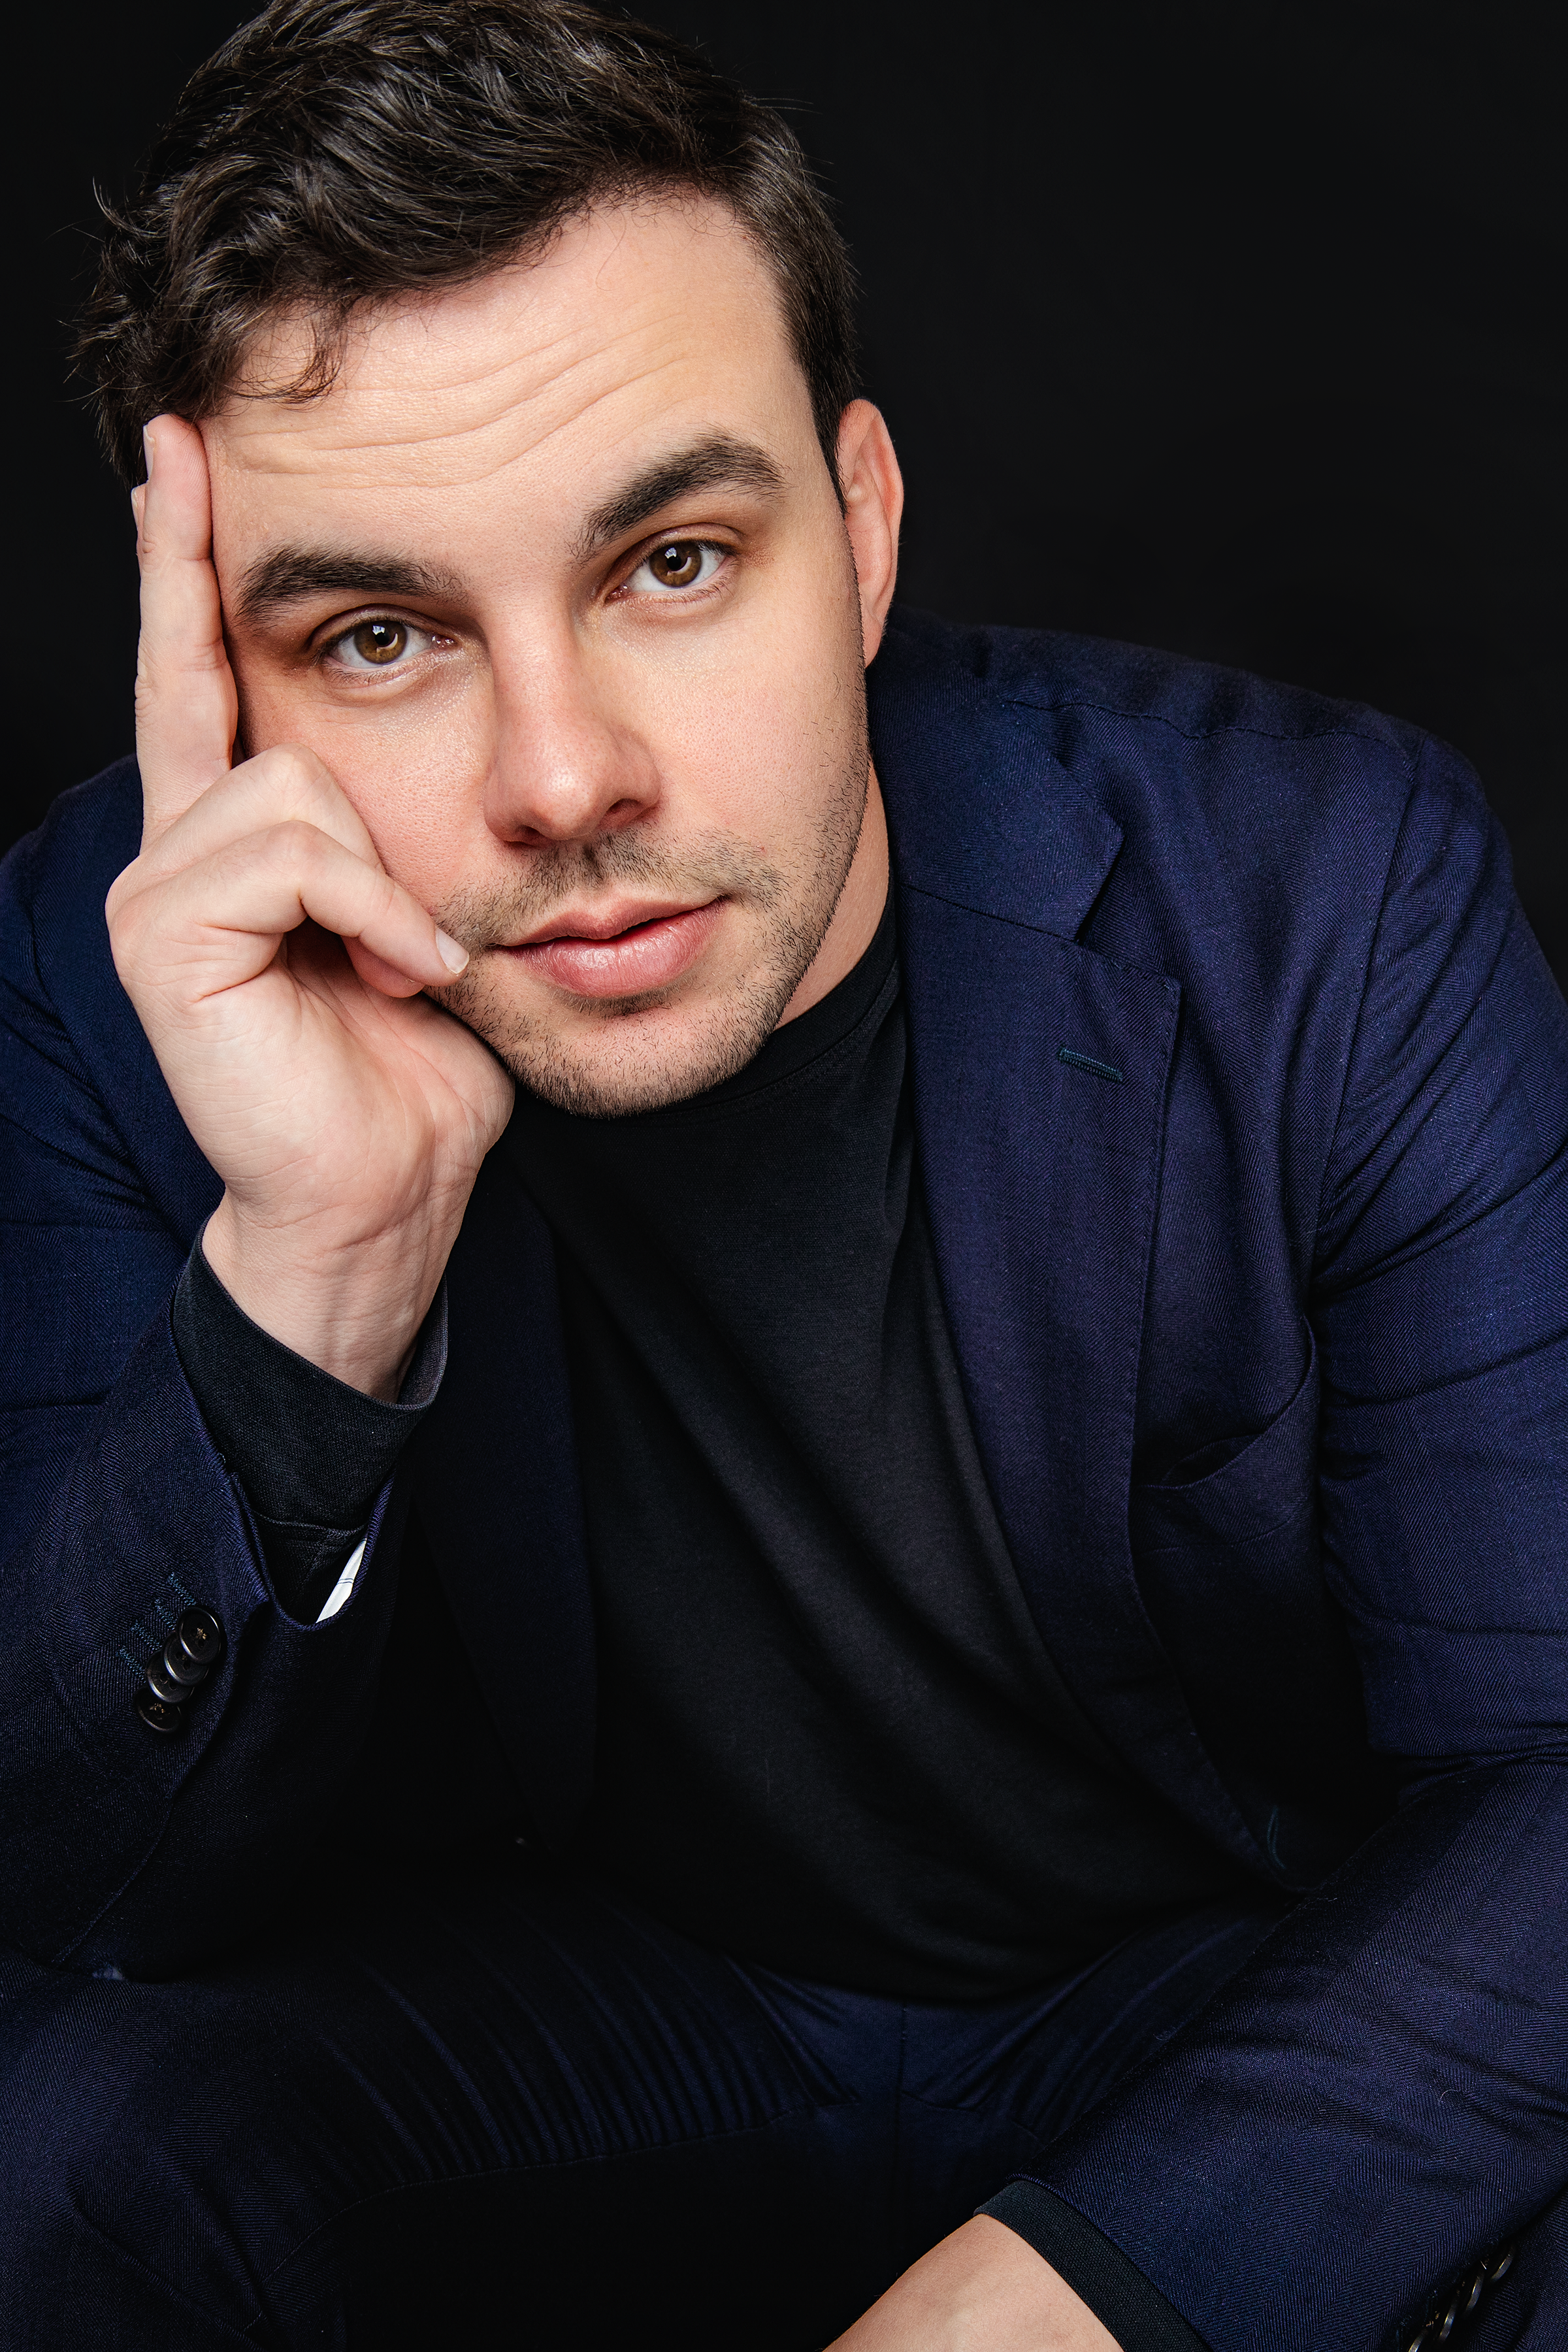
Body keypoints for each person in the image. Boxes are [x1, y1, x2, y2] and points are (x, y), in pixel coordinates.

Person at [1, 1, 1563, 2344]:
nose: (561, 776)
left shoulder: (1323, 891)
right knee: (68, 2156)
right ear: (220, 685)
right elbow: (84, 1890)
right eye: (385, 633)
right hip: (632, 2027)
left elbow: (1551, 1785)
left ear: (860, 530)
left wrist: (1071, 2298)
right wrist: (318, 1260)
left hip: (1217, 1999)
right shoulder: (108, 959)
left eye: (672, 563)